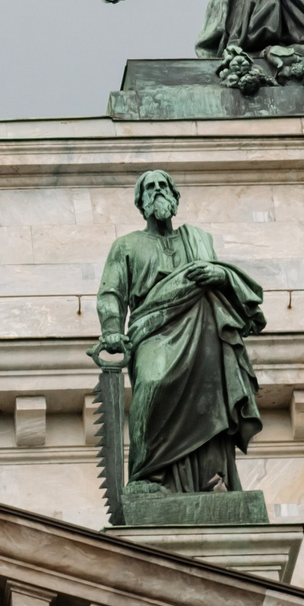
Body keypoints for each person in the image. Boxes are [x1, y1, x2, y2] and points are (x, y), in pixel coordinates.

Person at [93, 170, 265, 494]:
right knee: (152, 385)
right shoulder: (126, 246)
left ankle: (213, 478)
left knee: (211, 397)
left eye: (163, 186)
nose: (157, 191)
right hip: (152, 331)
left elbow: (222, 288)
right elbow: (110, 294)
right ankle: (147, 476)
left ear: (175, 196)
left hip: (203, 327)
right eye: (150, 187)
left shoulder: (197, 239)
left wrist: (218, 274)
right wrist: (112, 329)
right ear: (141, 202)